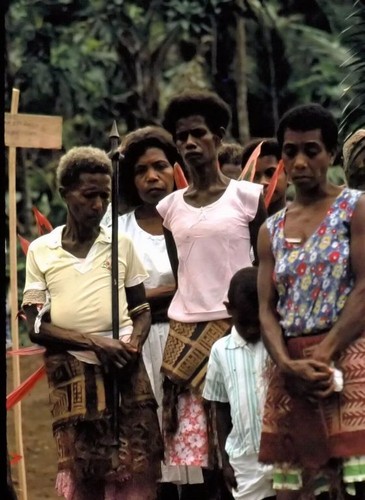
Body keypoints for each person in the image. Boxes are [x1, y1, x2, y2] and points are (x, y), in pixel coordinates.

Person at [22, 146, 163, 500]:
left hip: (124, 367)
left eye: (104, 195)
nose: (98, 205)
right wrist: (96, 343)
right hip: (74, 372)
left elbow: (141, 309)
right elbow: (36, 326)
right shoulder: (42, 250)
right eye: (89, 195)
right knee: (86, 474)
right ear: (65, 194)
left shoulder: (122, 244)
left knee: (138, 467)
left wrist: (133, 345)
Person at [157, 90, 267, 497]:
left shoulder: (248, 198)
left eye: (198, 134)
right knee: (200, 464)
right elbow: (182, 272)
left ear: (218, 137)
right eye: (181, 136)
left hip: (240, 334)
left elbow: (263, 268)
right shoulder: (169, 209)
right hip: (186, 340)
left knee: (245, 444)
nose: (188, 143)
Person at [257, 103, 365, 498]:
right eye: (290, 151)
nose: (299, 162)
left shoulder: (355, 208)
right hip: (290, 366)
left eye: (311, 150)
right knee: (297, 487)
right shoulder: (271, 228)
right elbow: (266, 308)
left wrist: (325, 353)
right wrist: (286, 364)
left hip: (349, 357)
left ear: (331, 154)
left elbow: (364, 288)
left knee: (355, 479)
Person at [106, 126, 204, 498]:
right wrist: (176, 289)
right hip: (141, 343)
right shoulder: (119, 229)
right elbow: (113, 294)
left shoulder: (192, 219)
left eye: (160, 166)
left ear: (175, 168)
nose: (152, 177)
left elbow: (207, 283)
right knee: (152, 454)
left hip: (187, 341)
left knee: (193, 449)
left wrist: (144, 294)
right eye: (141, 170)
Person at [203, 267, 275, 500]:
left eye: (258, 322)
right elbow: (220, 407)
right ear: (229, 310)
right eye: (245, 323)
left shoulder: (279, 345)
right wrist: (225, 461)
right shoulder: (220, 351)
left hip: (284, 452)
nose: (253, 329)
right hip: (244, 459)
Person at [241, 138, 288, 215]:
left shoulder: (304, 222)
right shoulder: (235, 223)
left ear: (288, 176)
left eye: (270, 173)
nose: (262, 182)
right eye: (254, 176)